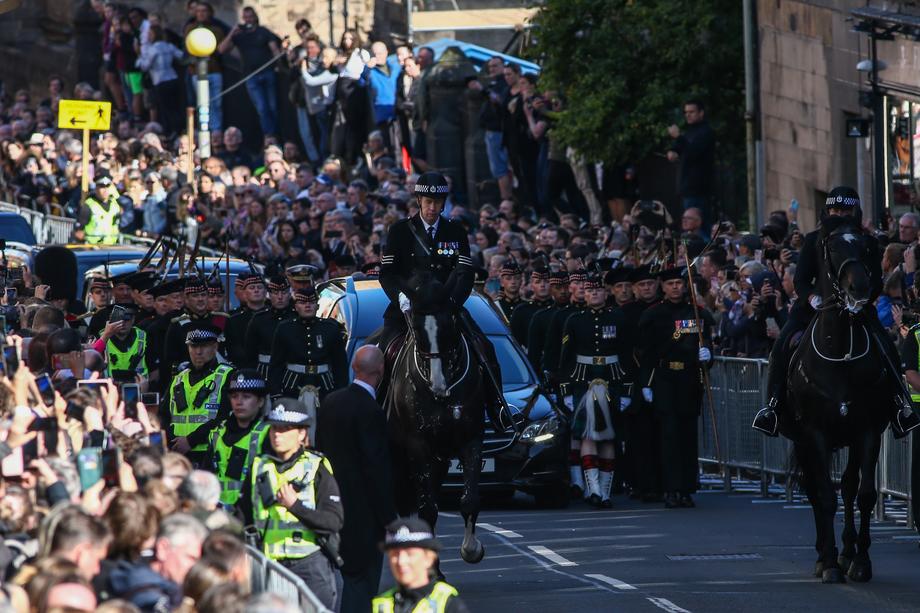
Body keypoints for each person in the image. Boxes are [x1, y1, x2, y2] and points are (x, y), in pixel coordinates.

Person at [752, 186, 920, 438]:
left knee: (885, 344)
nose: (840, 215)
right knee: (781, 346)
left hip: (858, 308)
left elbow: (876, 280)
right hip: (815, 308)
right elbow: (800, 280)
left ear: (855, 212)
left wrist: (863, 299)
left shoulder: (867, 242)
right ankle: (773, 406)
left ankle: (899, 406)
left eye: (845, 211)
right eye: (835, 210)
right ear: (828, 212)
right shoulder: (813, 240)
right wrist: (812, 297)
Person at [369, 171, 512, 432]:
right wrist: (401, 298)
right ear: (419, 201)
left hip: (447, 308)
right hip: (408, 308)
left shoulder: (455, 231)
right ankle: (376, 410)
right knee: (380, 352)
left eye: (437, 202)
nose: (432, 207)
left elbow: (465, 273)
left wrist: (453, 303)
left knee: (485, 347)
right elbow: (387, 274)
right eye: (428, 202)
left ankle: (498, 409)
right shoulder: (400, 231)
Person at [240, 397, 344, 610]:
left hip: (309, 567)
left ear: (302, 434)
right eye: (274, 428)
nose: (277, 434)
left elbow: (333, 521)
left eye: (285, 429)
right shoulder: (259, 466)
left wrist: (295, 506)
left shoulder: (317, 467)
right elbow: (241, 516)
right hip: (269, 566)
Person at [315, 346, 396, 613]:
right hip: (364, 515)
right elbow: (376, 469)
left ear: (354, 368)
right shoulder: (371, 411)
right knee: (362, 583)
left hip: (331, 506)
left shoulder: (330, 402)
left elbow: (319, 454)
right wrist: (389, 518)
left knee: (347, 579)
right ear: (381, 370)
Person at [637, 267, 713, 508]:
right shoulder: (653, 315)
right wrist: (646, 383)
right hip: (665, 378)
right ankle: (671, 488)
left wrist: (708, 354)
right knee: (669, 436)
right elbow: (645, 353)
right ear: (663, 286)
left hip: (689, 379)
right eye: (670, 284)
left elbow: (707, 340)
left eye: (679, 283)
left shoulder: (696, 312)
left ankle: (687, 488)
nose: (675, 287)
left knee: (688, 436)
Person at [559, 271, 626, 507]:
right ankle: (594, 489)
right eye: (590, 290)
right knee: (587, 434)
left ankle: (605, 492)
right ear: (584, 294)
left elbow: (627, 353)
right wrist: (566, 389)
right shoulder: (575, 320)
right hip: (583, 380)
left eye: (598, 290)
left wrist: (627, 389)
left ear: (605, 293)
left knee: (608, 436)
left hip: (611, 379)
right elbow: (566, 358)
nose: (594, 293)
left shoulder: (618, 318)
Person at [267, 282, 348, 401]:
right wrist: (276, 392)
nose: (307, 306)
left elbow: (340, 365)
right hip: (292, 385)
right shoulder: (285, 328)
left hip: (324, 385)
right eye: (303, 302)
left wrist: (341, 392)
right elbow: (276, 364)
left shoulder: (330, 328)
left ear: (317, 306)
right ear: (296, 307)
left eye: (311, 302)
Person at [168, 324, 234, 467]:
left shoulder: (227, 375)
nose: (198, 352)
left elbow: (225, 417)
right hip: (178, 453)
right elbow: (165, 415)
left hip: (210, 452)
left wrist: (190, 440)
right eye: (193, 346)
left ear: (215, 347)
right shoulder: (179, 378)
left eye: (204, 346)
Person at [373, 518, 468, 613]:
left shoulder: (449, 603)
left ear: (429, 558)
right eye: (395, 554)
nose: (401, 561)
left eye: (410, 554)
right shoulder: (381, 604)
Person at [218, 7, 283, 140]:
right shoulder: (239, 35)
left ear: (255, 17)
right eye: (246, 17)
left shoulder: (263, 31)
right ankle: (269, 135)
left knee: (273, 107)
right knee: (262, 108)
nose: (249, 20)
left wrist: (279, 64)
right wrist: (232, 33)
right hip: (251, 75)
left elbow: (275, 50)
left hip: (267, 72)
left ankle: (277, 134)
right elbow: (221, 49)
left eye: (251, 17)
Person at [207, 368, 269, 509]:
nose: (239, 402)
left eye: (246, 396)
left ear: (260, 401)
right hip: (218, 514)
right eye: (234, 396)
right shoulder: (218, 432)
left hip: (252, 514)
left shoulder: (269, 435)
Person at [666, 99, 715, 217]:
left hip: (698, 189)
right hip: (687, 188)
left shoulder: (706, 132)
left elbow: (694, 152)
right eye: (686, 112)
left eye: (691, 112)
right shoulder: (690, 131)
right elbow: (680, 147)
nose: (687, 115)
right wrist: (672, 152)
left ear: (701, 113)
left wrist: (678, 137)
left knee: (697, 222)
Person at [244, 273, 295, 377]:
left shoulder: (296, 317)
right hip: (265, 370)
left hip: (291, 371)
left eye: (284, 293)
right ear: (269, 295)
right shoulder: (259, 319)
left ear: (289, 294)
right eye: (275, 293)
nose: (280, 297)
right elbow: (250, 353)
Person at [223, 273, 267, 367]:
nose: (256, 290)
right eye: (252, 288)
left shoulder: (273, 317)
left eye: (259, 287)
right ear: (244, 293)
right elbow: (232, 349)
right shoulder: (233, 320)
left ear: (265, 292)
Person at [100, 304, 148, 383]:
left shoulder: (143, 337)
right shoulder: (101, 338)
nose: (122, 323)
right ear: (111, 320)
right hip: (110, 386)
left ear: (133, 319)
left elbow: (154, 369)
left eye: (126, 319)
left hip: (138, 386)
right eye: (118, 319)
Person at [81, 170, 121, 244]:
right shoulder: (89, 205)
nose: (105, 190)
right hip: (93, 247)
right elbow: (79, 232)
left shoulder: (115, 205)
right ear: (96, 188)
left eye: (108, 186)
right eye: (102, 186)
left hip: (112, 247)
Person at [494, 258, 523, 323]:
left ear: (521, 281)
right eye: (508, 278)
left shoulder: (527, 306)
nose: (513, 282)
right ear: (502, 282)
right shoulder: (495, 306)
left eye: (517, 278)